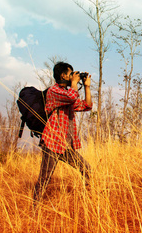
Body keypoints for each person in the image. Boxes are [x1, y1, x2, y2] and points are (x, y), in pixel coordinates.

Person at [33, 61, 93, 207]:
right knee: (45, 178)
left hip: (65, 145)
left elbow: (87, 106)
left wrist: (86, 86)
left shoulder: (67, 93)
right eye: (70, 74)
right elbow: (72, 97)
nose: (73, 76)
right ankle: (34, 208)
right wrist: (74, 83)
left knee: (86, 168)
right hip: (52, 142)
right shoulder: (54, 91)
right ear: (62, 75)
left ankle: (88, 200)